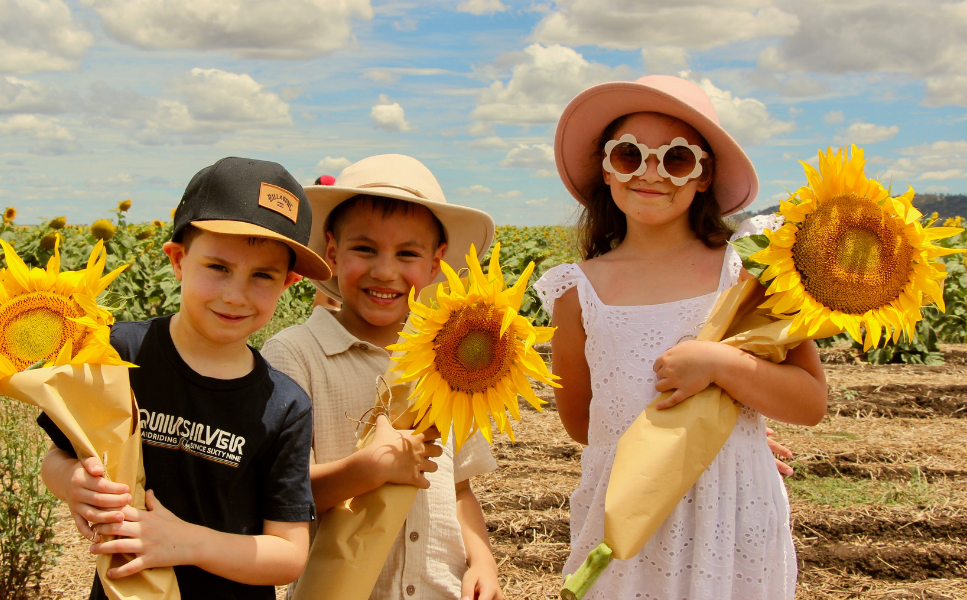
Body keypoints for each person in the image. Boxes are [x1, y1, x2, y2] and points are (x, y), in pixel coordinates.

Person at [532, 75, 826, 599]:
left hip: (733, 509)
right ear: (606, 167)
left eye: (676, 158)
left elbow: (810, 402)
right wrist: (688, 434)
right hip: (625, 515)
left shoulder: (749, 272)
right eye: (629, 155)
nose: (651, 172)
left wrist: (722, 371)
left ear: (704, 174)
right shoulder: (575, 293)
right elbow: (584, 423)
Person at [38, 157, 333, 600]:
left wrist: (185, 543)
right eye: (218, 268)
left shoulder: (283, 404)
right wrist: (75, 485)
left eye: (262, 276)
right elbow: (56, 457)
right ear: (178, 260)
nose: (236, 294)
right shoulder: (119, 353)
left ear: (288, 283)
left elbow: (288, 554)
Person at [261, 154, 505, 600]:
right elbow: (284, 498)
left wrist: (483, 561)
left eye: (407, 253)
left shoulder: (451, 361)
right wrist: (367, 469)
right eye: (365, 249)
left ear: (436, 264)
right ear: (332, 254)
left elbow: (460, 488)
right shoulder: (296, 355)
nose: (385, 271)